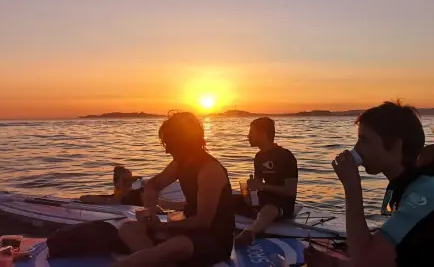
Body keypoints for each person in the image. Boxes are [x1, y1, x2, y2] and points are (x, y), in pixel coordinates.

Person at [304, 101, 434, 267]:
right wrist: (333, 264)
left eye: (365, 140)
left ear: (396, 146)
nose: (357, 148)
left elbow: (365, 261)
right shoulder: (406, 187)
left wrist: (352, 188)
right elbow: (385, 257)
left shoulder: (426, 193)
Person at [112, 112, 235, 267]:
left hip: (214, 238)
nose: (167, 151)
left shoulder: (209, 170)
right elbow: (153, 185)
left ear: (184, 142)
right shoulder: (179, 164)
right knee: (128, 228)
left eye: (169, 144)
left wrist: (164, 226)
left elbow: (203, 222)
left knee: (177, 245)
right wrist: (150, 212)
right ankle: (162, 260)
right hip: (187, 230)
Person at [235, 117, 298, 245]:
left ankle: (250, 232)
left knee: (270, 209)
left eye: (251, 132)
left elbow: (291, 191)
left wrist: (263, 186)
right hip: (263, 198)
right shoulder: (259, 157)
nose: (248, 136)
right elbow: (257, 185)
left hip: (281, 204)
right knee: (229, 200)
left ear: (262, 134)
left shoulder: (285, 156)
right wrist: (249, 190)